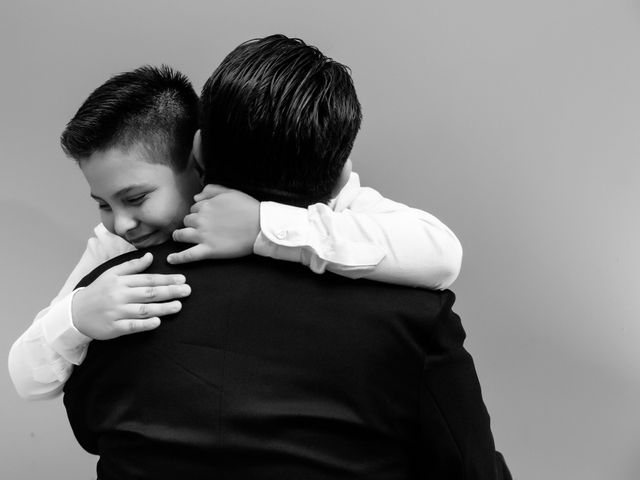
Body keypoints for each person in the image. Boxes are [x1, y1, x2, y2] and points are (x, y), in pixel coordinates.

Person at [63, 34, 511, 479]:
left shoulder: (114, 295)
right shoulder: (414, 316)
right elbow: (471, 469)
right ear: (342, 177)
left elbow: (88, 427)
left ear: (196, 151)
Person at [8, 61, 462, 400]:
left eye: (136, 198)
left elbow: (440, 255)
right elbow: (27, 378)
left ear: (198, 156)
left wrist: (266, 225)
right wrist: (76, 316)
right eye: (103, 204)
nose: (120, 222)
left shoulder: (298, 195)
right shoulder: (115, 244)